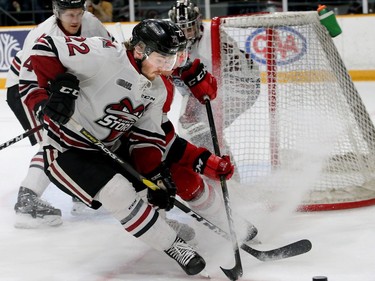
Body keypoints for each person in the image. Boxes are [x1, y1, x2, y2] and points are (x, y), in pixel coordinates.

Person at [28, 18, 235, 275]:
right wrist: (58, 87)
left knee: (169, 176)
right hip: (66, 148)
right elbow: (45, 47)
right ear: (139, 51)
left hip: (110, 147)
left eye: (171, 61)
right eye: (161, 59)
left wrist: (156, 175)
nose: (166, 68)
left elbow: (147, 138)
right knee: (118, 193)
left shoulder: (158, 90)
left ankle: (177, 224)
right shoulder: (104, 55)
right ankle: (174, 246)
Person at [6, 0, 114, 228]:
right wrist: (43, 107)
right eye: (69, 15)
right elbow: (29, 80)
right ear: (57, 12)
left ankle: (80, 192)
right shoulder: (44, 34)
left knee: (79, 136)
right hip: (27, 87)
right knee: (52, 140)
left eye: (78, 14)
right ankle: (27, 200)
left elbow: (113, 54)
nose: (75, 21)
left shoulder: (91, 23)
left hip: (62, 88)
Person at [168, 0, 261, 152]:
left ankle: (222, 168)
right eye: (181, 29)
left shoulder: (211, 38)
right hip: (218, 83)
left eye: (189, 28)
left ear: (198, 23)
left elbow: (206, 81)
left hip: (240, 85)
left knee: (198, 128)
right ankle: (221, 166)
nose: (185, 34)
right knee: (191, 130)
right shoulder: (180, 44)